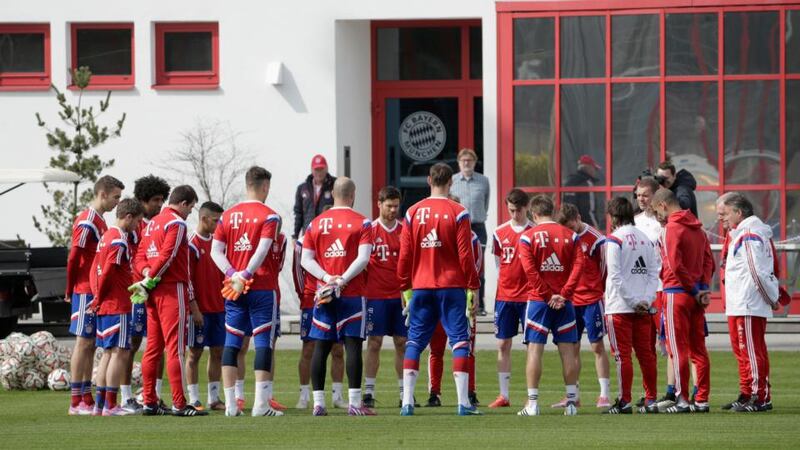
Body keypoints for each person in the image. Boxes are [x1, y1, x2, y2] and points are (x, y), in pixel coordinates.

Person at [398, 162, 481, 416]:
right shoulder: (459, 212)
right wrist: (473, 286)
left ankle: (407, 403)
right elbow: (466, 256)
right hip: (451, 285)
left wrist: (404, 287)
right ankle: (463, 403)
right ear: (450, 182)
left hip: (421, 285)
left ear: (428, 181)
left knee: (414, 341)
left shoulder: (412, 212)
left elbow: (404, 255)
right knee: (459, 341)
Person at [210, 166, 282, 417]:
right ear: (264, 187)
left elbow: (215, 252)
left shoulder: (227, 216)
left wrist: (232, 274)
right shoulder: (270, 216)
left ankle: (231, 405)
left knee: (232, 342)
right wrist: (247, 274)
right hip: (261, 286)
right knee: (263, 343)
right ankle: (261, 406)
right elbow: (262, 250)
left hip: (234, 289)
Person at [301, 177, 374, 416]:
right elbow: (363, 259)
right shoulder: (363, 222)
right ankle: (354, 404)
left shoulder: (316, 223)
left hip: (324, 293)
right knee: (353, 345)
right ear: (353, 195)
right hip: (351, 292)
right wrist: (342, 279)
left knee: (321, 346)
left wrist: (327, 277)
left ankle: (318, 404)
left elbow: (305, 260)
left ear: (332, 193)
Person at [133, 185, 204, 416]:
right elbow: (169, 255)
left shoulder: (152, 222)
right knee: (175, 349)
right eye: (191, 207)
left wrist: (145, 276)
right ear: (183, 203)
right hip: (172, 289)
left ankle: (150, 402)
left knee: (152, 348)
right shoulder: (177, 224)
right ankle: (179, 404)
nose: (190, 212)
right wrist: (151, 278)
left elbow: (140, 256)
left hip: (152, 292)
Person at [516, 195, 585, 417]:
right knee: (568, 352)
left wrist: (547, 296)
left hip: (538, 301)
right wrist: (563, 295)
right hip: (564, 303)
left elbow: (530, 272)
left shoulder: (527, 237)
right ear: (553, 212)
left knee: (534, 350)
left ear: (534, 215)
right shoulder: (572, 236)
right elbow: (578, 267)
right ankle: (572, 403)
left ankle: (533, 404)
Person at [650, 188, 714, 413]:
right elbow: (709, 261)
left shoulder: (671, 229)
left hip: (676, 293)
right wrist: (702, 288)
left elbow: (674, 265)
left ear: (663, 205)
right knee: (698, 349)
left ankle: (682, 399)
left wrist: (694, 289)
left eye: (656, 210)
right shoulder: (698, 228)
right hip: (695, 294)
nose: (658, 216)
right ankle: (702, 399)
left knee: (677, 349)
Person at [66, 175, 124, 416]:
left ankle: (86, 397)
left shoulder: (101, 221)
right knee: (83, 342)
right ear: (103, 194)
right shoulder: (88, 220)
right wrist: (70, 287)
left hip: (96, 289)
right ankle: (75, 400)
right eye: (115, 197)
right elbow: (74, 256)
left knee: (91, 344)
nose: (117, 202)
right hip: (84, 289)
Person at [721, 193, 779, 412]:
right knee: (744, 351)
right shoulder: (743, 233)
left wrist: (771, 298)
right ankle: (747, 393)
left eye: (724, 213)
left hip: (748, 302)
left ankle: (759, 397)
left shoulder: (750, 233)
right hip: (741, 302)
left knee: (752, 352)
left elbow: (758, 271)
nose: (721, 218)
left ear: (739, 212)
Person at [603, 196, 659, 414]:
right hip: (642, 307)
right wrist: (645, 299)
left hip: (620, 307)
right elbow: (654, 273)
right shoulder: (646, 238)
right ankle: (651, 399)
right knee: (646, 354)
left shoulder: (614, 239)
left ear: (613, 216)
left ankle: (624, 401)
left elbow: (615, 276)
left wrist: (634, 301)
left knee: (622, 356)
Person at [425, 200, 482, 408]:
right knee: (437, 347)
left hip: (460, 297)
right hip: (439, 295)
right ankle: (434, 392)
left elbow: (476, 266)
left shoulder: (473, 239)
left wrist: (470, 291)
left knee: (465, 347)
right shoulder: (435, 238)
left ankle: (470, 391)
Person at [89, 198, 144, 416]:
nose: (138, 226)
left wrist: (96, 297)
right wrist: (99, 297)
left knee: (107, 353)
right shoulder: (119, 240)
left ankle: (100, 405)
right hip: (117, 304)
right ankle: (111, 405)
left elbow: (96, 269)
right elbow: (110, 271)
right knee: (120, 353)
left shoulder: (105, 237)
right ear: (129, 217)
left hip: (106, 303)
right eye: (138, 221)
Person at [555, 203, 611, 409]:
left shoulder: (596, 239)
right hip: (571, 300)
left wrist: (599, 292)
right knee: (572, 347)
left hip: (592, 300)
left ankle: (604, 394)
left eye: (571, 227)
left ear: (578, 217)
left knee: (597, 346)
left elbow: (604, 269)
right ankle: (573, 395)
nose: (569, 232)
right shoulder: (563, 237)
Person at [292, 211, 347, 410]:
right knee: (309, 348)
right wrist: (304, 296)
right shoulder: (303, 242)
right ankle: (304, 395)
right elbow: (298, 271)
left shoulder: (341, 237)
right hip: (311, 300)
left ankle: (337, 396)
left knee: (338, 349)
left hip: (336, 298)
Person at [124, 174, 170, 412]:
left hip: (155, 290)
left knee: (158, 344)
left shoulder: (159, 224)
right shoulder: (134, 226)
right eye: (155, 199)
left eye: (163, 199)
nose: (160, 204)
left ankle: (153, 395)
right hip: (136, 292)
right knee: (131, 343)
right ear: (143, 200)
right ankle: (126, 396)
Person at [363, 186, 408, 408]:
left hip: (399, 296)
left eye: (396, 206)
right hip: (375, 295)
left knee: (402, 342)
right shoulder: (369, 230)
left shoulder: (404, 230)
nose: (392, 210)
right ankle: (369, 392)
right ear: (379, 204)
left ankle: (404, 393)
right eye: (388, 206)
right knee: (374, 342)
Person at [487, 189, 532, 409]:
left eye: (518, 210)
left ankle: (531, 395)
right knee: (503, 343)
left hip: (529, 297)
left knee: (531, 346)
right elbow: (498, 262)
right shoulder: (499, 232)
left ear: (527, 207)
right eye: (511, 210)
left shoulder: (534, 231)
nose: (514, 214)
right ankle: (503, 395)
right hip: (504, 296)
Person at [185, 201, 226, 411]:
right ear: (204, 219)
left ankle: (214, 397)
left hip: (219, 308)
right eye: (216, 220)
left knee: (217, 351)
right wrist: (194, 308)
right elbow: (187, 278)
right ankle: (193, 398)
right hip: (199, 310)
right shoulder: (191, 243)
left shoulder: (218, 244)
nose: (219, 225)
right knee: (195, 353)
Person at [450, 148, 490, 315]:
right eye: (463, 160)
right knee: (458, 263)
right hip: (458, 226)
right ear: (459, 163)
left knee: (478, 265)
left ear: (474, 162)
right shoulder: (452, 180)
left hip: (478, 226)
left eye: (469, 160)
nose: (466, 163)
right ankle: (460, 302)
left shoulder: (483, 181)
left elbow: (486, 202)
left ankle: (479, 305)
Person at [262, 228, 289, 412]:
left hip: (272, 296)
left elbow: (278, 266)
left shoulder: (282, 239)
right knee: (241, 345)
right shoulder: (256, 236)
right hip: (249, 294)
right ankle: (238, 397)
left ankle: (268, 396)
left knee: (270, 345)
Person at [292, 154, 336, 242]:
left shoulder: (335, 185)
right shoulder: (302, 188)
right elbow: (298, 213)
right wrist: (295, 235)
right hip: (309, 234)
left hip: (329, 234)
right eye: (316, 169)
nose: (319, 172)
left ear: (326, 168)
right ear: (312, 170)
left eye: (321, 169)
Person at [563, 154, 602, 229]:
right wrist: (596, 229)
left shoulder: (567, 182)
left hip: (567, 224)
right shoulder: (588, 183)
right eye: (595, 169)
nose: (595, 172)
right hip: (582, 226)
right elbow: (590, 211)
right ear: (589, 168)